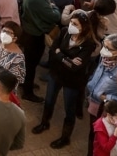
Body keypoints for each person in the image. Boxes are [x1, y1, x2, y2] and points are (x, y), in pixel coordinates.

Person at [34, 9, 97, 148]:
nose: (71, 26)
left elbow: (75, 67)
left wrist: (60, 55)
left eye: (75, 24)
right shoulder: (64, 32)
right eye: (71, 22)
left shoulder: (88, 44)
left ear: (83, 27)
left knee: (70, 109)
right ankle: (44, 123)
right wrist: (66, 59)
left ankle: (65, 137)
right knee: (49, 100)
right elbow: (53, 48)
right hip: (56, 74)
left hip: (72, 81)